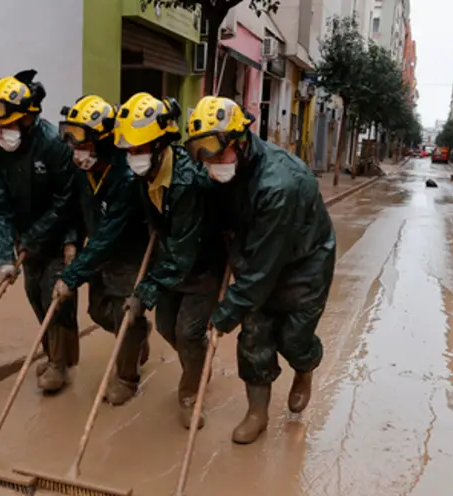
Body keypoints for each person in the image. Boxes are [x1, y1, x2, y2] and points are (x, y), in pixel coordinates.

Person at [184, 97, 337, 445]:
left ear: (239, 142)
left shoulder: (279, 185)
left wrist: (223, 315)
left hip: (304, 263)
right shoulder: (221, 168)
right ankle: (258, 412)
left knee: (292, 338)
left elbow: (262, 272)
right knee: (254, 335)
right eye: (201, 154)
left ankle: (305, 365)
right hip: (255, 254)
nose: (209, 164)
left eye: (215, 153)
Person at [113, 92, 227, 429]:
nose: (133, 156)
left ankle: (190, 391)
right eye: (129, 150)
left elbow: (183, 253)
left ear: (161, 144)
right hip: (169, 265)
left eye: (139, 149)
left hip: (201, 266)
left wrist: (142, 294)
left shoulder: (187, 182)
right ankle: (199, 363)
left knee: (188, 333)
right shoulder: (143, 175)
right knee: (165, 327)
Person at [0, 70, 84, 393]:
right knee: (34, 297)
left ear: (27, 120)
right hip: (27, 240)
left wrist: (44, 237)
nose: (1, 132)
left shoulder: (53, 145)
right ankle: (59, 354)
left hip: (59, 235)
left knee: (55, 297)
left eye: (8, 124)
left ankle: (58, 364)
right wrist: (3, 257)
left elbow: (68, 200)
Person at [51, 95, 153, 405]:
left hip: (128, 253)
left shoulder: (125, 177)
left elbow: (110, 233)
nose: (74, 148)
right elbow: (74, 211)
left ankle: (127, 378)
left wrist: (72, 276)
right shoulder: (84, 171)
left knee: (126, 316)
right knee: (97, 310)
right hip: (98, 252)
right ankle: (137, 337)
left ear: (104, 141)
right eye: (70, 138)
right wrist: (71, 241)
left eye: (81, 140)